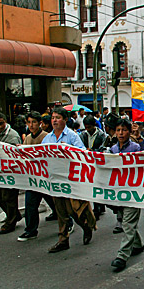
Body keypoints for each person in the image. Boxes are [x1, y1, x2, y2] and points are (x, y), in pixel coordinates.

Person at [43, 107, 97, 253]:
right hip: (55, 179)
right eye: (53, 117)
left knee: (72, 209)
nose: (54, 120)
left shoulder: (72, 136)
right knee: (60, 211)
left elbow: (81, 153)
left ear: (65, 120)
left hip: (69, 179)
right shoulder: (47, 138)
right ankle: (63, 239)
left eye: (58, 117)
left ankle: (85, 226)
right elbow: (40, 155)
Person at [110, 119, 144, 272]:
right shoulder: (112, 149)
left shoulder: (136, 147)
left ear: (129, 131)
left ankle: (122, 256)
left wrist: (140, 137)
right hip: (118, 192)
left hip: (133, 192)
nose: (121, 133)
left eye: (124, 130)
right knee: (128, 221)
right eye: (118, 130)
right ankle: (137, 245)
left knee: (127, 223)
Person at [18, 111, 59, 241]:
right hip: (33, 178)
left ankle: (67, 223)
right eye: (29, 122)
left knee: (55, 203)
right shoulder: (28, 139)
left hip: (46, 177)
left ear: (40, 123)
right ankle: (31, 230)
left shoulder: (46, 137)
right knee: (30, 204)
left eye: (34, 122)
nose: (31, 125)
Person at [0, 113, 22, 234]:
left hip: (10, 172)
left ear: (6, 122)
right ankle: (14, 215)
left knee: (9, 197)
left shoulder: (12, 136)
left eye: (1, 123)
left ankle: (10, 222)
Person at [80, 115, 107, 220]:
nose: (88, 129)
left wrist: (93, 151)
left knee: (98, 184)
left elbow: (103, 149)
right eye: (86, 127)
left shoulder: (101, 135)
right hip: (87, 163)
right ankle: (97, 207)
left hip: (97, 162)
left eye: (89, 127)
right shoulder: (83, 135)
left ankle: (98, 208)